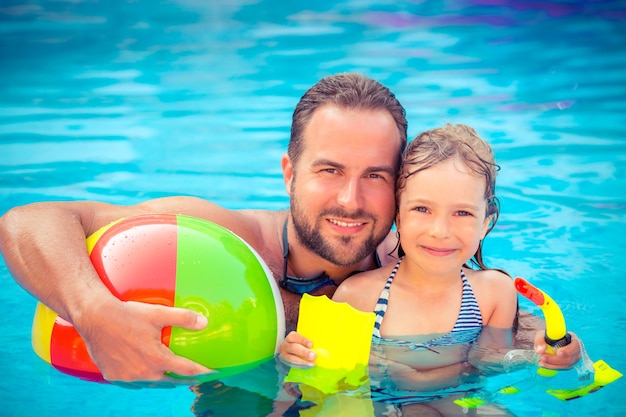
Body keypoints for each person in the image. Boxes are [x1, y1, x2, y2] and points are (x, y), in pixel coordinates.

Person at [0, 74, 579, 387]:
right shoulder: (228, 242)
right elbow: (30, 220)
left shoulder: (416, 250)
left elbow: (496, 325)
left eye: (375, 176)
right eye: (329, 170)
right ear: (288, 172)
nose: (350, 200)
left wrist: (540, 345)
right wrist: (96, 313)